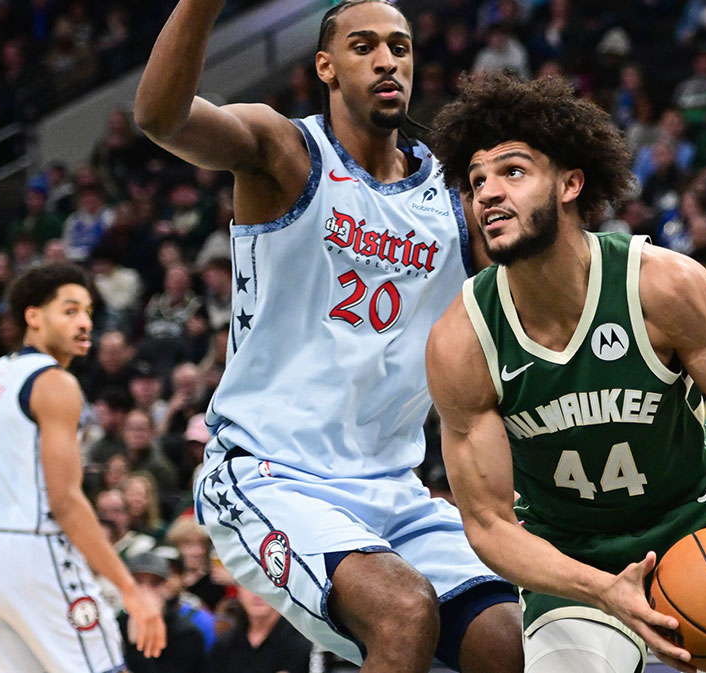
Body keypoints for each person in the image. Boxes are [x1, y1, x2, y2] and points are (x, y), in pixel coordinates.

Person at [134, 1, 522, 670]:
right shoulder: (284, 150)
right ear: (326, 66)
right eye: (364, 46)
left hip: (394, 488)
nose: (385, 60)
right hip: (269, 472)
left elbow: (528, 322)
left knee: (514, 642)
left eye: (399, 46)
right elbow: (160, 118)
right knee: (404, 609)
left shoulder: (458, 196)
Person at [425, 73, 706, 673]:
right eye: (477, 181)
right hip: (573, 555)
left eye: (513, 172)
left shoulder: (663, 284)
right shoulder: (462, 340)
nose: (489, 194)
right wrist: (604, 590)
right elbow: (487, 523)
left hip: (698, 525)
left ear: (570, 184)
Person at [0, 263, 166, 672]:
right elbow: (65, 499)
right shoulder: (54, 382)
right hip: (32, 550)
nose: (84, 323)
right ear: (33, 316)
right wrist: (129, 588)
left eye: (89, 312)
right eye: (70, 310)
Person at [117, 552, 207, 673]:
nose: (145, 590)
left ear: (166, 587)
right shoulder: (117, 624)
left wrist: (137, 645)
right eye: (137, 582)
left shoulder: (186, 634)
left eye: (154, 583)